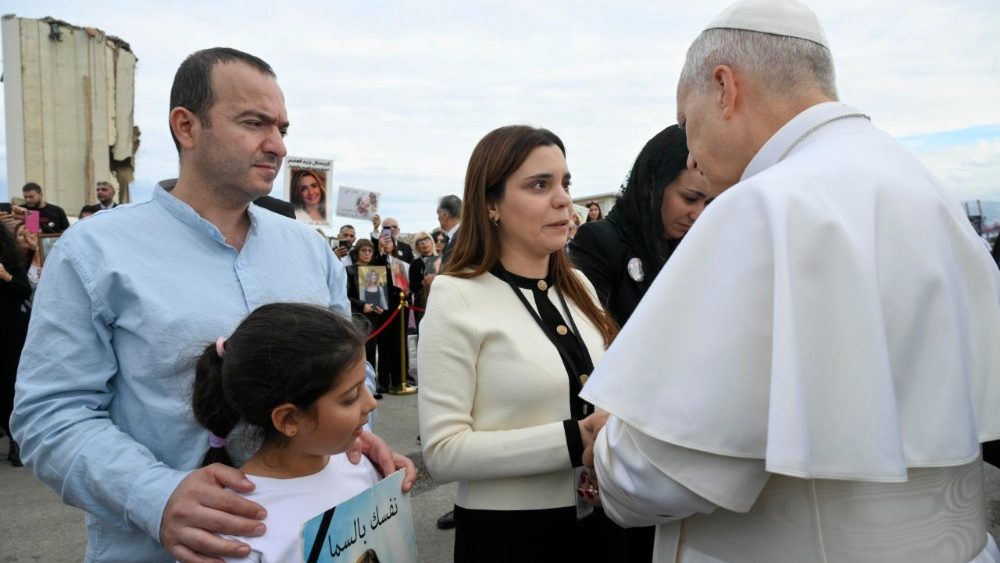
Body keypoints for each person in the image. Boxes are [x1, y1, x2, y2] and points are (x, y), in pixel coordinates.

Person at [578, 1, 1000, 562]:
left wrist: (607, 447)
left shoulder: (762, 206)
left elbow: (661, 476)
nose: (692, 150)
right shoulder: (927, 190)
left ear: (725, 88)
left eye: (686, 121)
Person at [11, 47, 414, 563]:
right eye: (254, 123)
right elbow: (50, 414)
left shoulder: (309, 250)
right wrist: (155, 496)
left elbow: (350, 377)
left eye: (283, 129)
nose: (277, 147)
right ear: (186, 126)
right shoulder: (93, 253)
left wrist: (357, 434)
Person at [418, 125, 625, 562]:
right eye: (539, 185)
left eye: (565, 183)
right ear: (491, 204)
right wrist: (576, 438)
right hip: (510, 537)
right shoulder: (456, 294)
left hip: (602, 524)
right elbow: (442, 452)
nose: (563, 199)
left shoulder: (580, 287)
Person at [191, 303, 379, 562]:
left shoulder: (359, 465)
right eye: (351, 397)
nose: (371, 403)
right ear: (289, 419)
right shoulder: (235, 529)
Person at [570, 125, 721, 326]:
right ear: (652, 186)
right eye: (689, 198)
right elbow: (592, 335)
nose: (698, 215)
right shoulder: (599, 242)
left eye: (709, 203)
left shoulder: (696, 247)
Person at [0, 223, 31, 467]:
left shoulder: (11, 259)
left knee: (10, 385)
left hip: (9, 331)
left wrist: (6, 276)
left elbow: (24, 291)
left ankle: (15, 440)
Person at [407, 231, 439, 329]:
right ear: (417, 246)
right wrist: (423, 283)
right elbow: (412, 287)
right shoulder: (415, 263)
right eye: (420, 241)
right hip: (421, 304)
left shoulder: (442, 260)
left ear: (432, 241)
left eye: (426, 239)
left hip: (440, 302)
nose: (424, 243)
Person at [436, 194, 461, 263]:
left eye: (438, 214)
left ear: (445, 215)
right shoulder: (450, 238)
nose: (438, 218)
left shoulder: (463, 238)